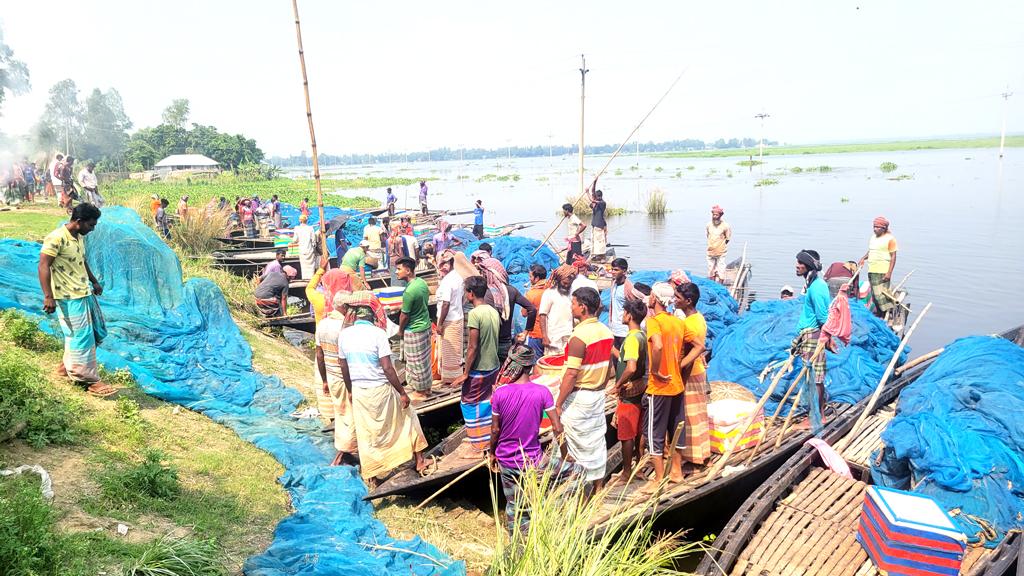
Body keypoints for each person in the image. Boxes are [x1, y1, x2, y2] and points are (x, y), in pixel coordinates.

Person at [338, 291, 429, 485]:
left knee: (366, 432)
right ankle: (420, 460)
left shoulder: (344, 335)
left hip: (361, 390)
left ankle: (371, 474)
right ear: (373, 318)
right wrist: (402, 392)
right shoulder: (378, 334)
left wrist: (351, 389)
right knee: (409, 416)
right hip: (380, 389)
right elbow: (387, 367)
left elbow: (343, 366)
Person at [38, 203, 116, 397]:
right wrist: (48, 296)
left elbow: (82, 261)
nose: (93, 229)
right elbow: (43, 266)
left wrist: (94, 281)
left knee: (97, 331)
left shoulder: (78, 237)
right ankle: (89, 380)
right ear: (79, 221)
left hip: (83, 293)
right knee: (81, 337)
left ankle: (66, 367)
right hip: (68, 297)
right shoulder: (56, 238)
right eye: (91, 225)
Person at [490, 344, 561, 533]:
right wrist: (565, 454)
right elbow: (557, 427)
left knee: (514, 505)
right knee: (572, 473)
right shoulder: (542, 392)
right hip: (534, 460)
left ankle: (517, 540)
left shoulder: (500, 393)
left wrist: (491, 453)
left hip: (507, 459)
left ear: (514, 365)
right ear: (530, 366)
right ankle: (545, 526)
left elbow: (495, 430)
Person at [553, 287, 613, 491]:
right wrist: (601, 387)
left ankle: (575, 486)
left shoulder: (579, 336)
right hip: (597, 394)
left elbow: (571, 374)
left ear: (583, 307)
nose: (571, 306)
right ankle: (598, 486)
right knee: (595, 440)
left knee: (571, 439)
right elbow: (609, 368)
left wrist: (559, 403)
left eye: (573, 303)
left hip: (580, 396)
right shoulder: (606, 331)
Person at [641, 282, 688, 493]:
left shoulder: (655, 322)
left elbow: (658, 345)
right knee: (675, 430)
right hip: (676, 385)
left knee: (655, 433)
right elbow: (695, 345)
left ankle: (658, 478)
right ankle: (676, 472)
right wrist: (677, 366)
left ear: (655, 299)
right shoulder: (677, 322)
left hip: (659, 387)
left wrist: (656, 370)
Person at [453, 275, 501, 455]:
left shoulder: (475, 313)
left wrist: (465, 373)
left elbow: (473, 346)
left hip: (480, 368)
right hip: (493, 365)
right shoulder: (492, 310)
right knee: (487, 401)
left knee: (468, 403)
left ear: (470, 294)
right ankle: (488, 435)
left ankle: (479, 442)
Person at [608, 298, 648, 485]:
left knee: (626, 434)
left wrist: (618, 385)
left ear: (629, 315)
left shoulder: (632, 338)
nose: (622, 315)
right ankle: (639, 466)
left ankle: (626, 473)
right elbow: (628, 358)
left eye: (624, 312)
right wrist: (613, 350)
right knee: (638, 430)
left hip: (629, 393)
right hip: (640, 389)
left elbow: (630, 367)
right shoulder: (641, 335)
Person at [316, 291, 358, 465]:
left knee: (340, 414)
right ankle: (343, 454)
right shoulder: (345, 327)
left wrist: (324, 380)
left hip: (331, 376)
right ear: (344, 307)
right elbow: (345, 361)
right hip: (344, 377)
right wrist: (350, 388)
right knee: (351, 417)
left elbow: (319, 355)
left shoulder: (322, 324)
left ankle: (344, 451)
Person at [792, 249, 830, 433]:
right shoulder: (814, 284)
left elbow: (823, 316)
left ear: (808, 266)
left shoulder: (817, 287)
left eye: (799, 263)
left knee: (813, 378)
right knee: (813, 377)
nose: (796, 266)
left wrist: (826, 339)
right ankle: (816, 414)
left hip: (813, 335)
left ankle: (815, 418)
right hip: (809, 334)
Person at [674, 282, 711, 468]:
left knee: (688, 415)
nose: (675, 300)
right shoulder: (699, 318)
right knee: (698, 414)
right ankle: (701, 453)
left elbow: (696, 349)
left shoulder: (688, 324)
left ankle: (691, 455)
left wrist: (680, 366)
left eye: (678, 298)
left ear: (688, 301)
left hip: (690, 373)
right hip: (699, 372)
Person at [477, 256, 536, 363]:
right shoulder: (512, 291)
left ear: (489, 274)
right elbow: (532, 309)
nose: (482, 275)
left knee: (491, 376)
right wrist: (525, 332)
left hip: (489, 345)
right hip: (507, 342)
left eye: (484, 273)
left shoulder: (485, 293)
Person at [397, 258, 433, 401]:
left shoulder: (410, 291)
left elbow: (404, 316)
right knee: (424, 361)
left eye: (399, 269)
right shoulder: (421, 283)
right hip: (425, 326)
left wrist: (400, 330)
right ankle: (426, 387)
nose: (397, 272)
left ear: (408, 270)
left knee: (414, 362)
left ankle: (421, 391)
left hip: (414, 329)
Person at [434, 250, 465, 385]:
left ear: (450, 263)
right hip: (456, 317)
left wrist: (440, 324)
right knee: (453, 350)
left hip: (449, 320)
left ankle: (451, 381)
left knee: (450, 351)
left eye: (444, 264)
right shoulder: (457, 276)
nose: (441, 267)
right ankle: (451, 378)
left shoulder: (449, 280)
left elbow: (446, 303)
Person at [859, 216, 898, 319]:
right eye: (874, 226)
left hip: (882, 271)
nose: (875, 229)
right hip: (872, 269)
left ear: (884, 228)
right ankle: (880, 314)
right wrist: (863, 258)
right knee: (874, 295)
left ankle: (887, 314)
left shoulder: (890, 239)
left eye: (877, 227)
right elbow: (871, 251)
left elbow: (893, 256)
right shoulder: (873, 237)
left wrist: (889, 273)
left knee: (881, 295)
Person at [538, 265, 576, 356]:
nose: (566, 285)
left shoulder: (573, 293)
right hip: (553, 337)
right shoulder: (549, 293)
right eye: (564, 283)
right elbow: (542, 315)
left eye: (568, 284)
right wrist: (544, 336)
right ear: (558, 280)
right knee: (552, 362)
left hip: (569, 334)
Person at [523, 264, 548, 359]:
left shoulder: (531, 294)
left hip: (536, 333)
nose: (529, 279)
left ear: (536, 278)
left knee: (536, 363)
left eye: (530, 276)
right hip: (550, 332)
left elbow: (524, 313)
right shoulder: (551, 289)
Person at [706, 205, 731, 282]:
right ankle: (712, 284)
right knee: (711, 269)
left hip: (721, 251)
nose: (715, 216)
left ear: (720, 215)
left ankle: (720, 285)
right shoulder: (709, 225)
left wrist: (720, 245)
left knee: (721, 269)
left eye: (717, 215)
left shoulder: (725, 226)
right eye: (713, 215)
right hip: (710, 251)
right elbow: (708, 236)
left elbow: (728, 238)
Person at [292, 213, 320, 280]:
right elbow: (313, 240)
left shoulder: (297, 228)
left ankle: (305, 279)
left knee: (304, 267)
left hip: (302, 250)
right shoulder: (310, 228)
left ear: (300, 220)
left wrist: (292, 241)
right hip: (309, 250)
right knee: (311, 266)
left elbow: (295, 240)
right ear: (306, 221)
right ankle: (311, 279)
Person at [589, 188, 608, 257]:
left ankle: (602, 256)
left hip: (599, 224)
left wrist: (587, 192)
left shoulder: (602, 203)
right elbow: (593, 193)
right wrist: (594, 182)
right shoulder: (595, 204)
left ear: (598, 197)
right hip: (594, 225)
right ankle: (595, 255)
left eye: (596, 196)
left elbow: (592, 199)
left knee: (600, 241)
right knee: (594, 240)